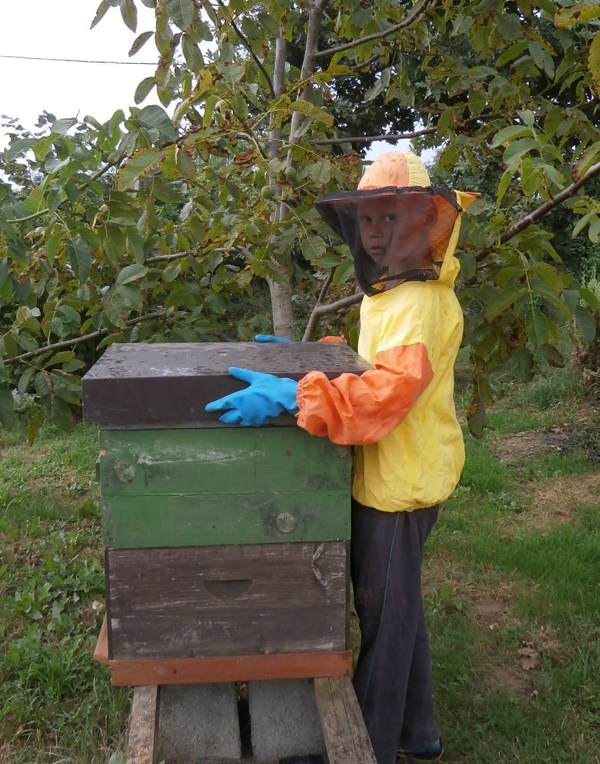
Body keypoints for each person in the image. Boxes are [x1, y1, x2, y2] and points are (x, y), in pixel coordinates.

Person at [205, 151, 477, 764]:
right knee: (397, 607)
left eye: (390, 220)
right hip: (393, 475)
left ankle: (366, 748)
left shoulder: (419, 305)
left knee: (383, 622)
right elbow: (370, 364)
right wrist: (315, 359)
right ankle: (419, 733)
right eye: (368, 223)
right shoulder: (392, 299)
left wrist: (294, 393)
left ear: (424, 223)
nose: (376, 235)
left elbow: (383, 397)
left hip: (400, 485)